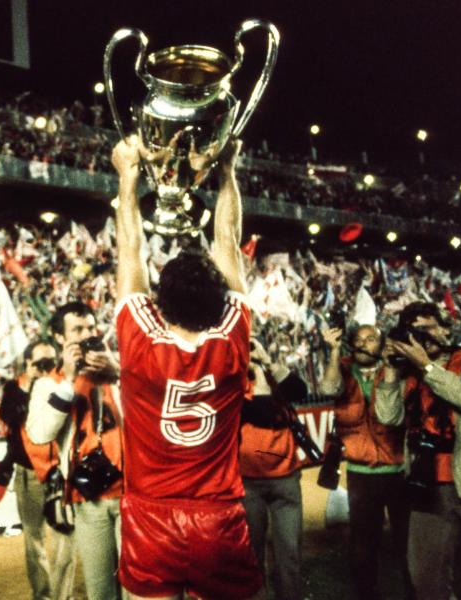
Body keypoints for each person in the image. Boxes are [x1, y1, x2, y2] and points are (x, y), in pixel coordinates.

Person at [111, 136, 262, 600]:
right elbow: (227, 242)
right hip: (217, 516)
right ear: (220, 303)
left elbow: (130, 250)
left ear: (159, 304)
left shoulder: (139, 340)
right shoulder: (232, 338)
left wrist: (127, 176)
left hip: (150, 516)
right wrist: (227, 170)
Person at [375, 302, 461, 600]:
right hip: (427, 487)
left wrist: (426, 365)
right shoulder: (409, 374)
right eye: (415, 331)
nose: (422, 336)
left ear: (447, 329)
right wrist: (389, 368)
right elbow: (388, 417)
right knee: (426, 581)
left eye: (428, 328)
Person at [27, 302, 124, 600]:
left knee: (141, 587)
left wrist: (119, 371)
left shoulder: (120, 368)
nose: (87, 335)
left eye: (91, 327)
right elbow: (41, 433)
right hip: (89, 497)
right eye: (77, 329)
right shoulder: (48, 384)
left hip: (134, 492)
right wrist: (69, 380)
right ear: (60, 338)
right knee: (101, 590)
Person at [320, 324, 410, 599]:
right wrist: (334, 352)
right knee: (362, 544)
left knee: (407, 540)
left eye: (371, 339)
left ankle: (414, 590)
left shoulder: (398, 369)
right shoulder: (343, 368)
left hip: (399, 470)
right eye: (358, 339)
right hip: (361, 472)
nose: (363, 343)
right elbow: (329, 388)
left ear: (382, 345)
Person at [0, 341, 76, 600]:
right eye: (38, 363)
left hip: (60, 472)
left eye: (50, 362)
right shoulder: (15, 387)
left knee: (66, 537)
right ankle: (43, 596)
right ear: (27, 363)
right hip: (27, 472)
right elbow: (9, 416)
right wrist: (32, 384)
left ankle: (62, 596)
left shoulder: (65, 384)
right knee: (35, 542)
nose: (46, 368)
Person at [239, 338, 307, 600]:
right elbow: (261, 411)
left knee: (289, 556)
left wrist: (268, 362)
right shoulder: (233, 381)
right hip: (248, 481)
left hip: (285, 478)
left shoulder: (275, 374)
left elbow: (300, 391)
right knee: (252, 556)